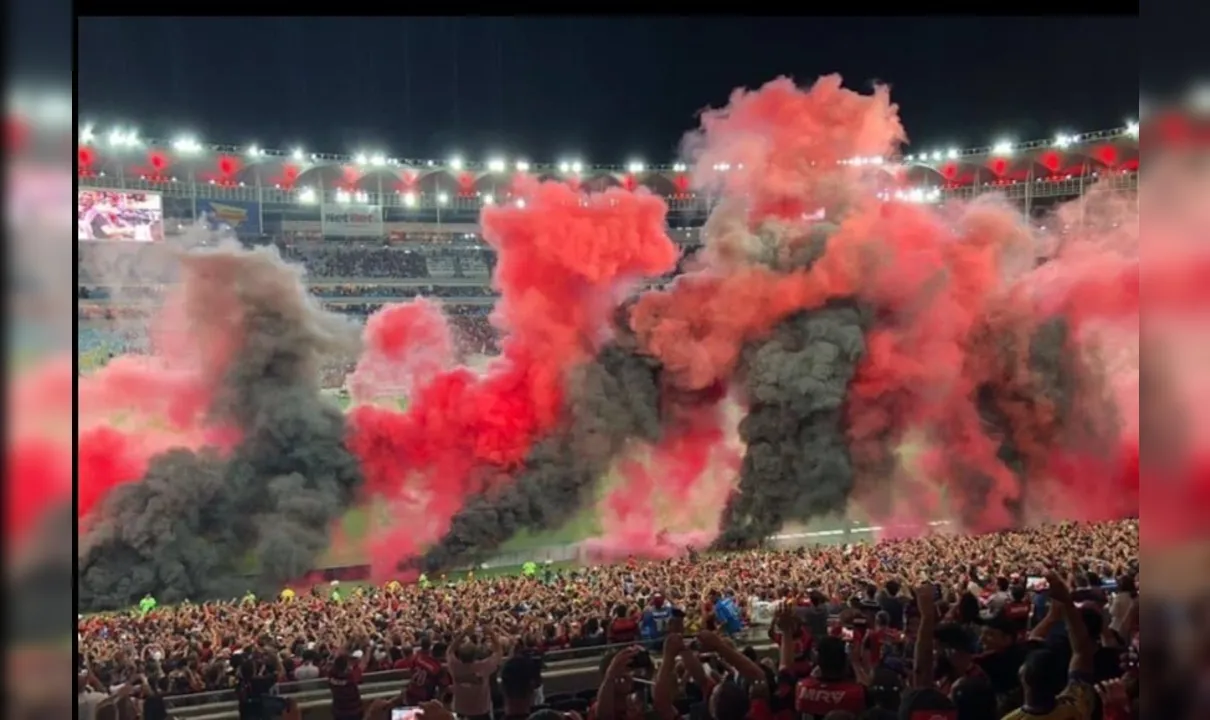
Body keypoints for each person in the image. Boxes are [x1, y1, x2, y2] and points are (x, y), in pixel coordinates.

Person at [448, 629, 502, 720]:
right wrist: (491, 633)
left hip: (460, 709)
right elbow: (499, 651)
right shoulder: (484, 666)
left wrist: (463, 633)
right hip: (481, 710)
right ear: (475, 655)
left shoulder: (454, 665)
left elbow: (450, 650)